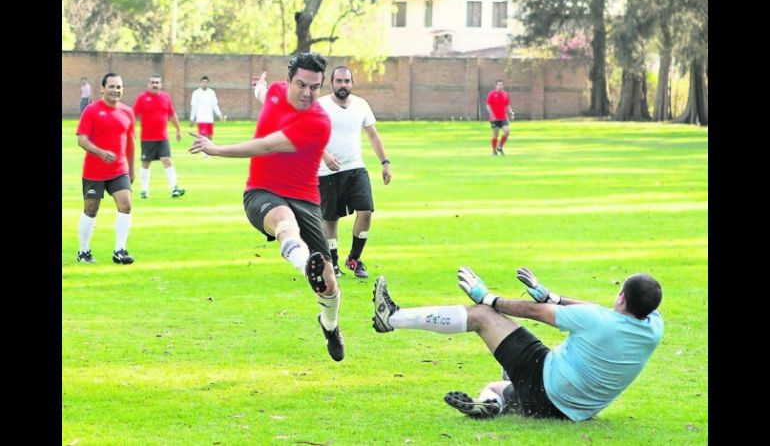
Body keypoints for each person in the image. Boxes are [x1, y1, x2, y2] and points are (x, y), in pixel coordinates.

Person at [189, 53, 345, 362]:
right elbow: (266, 96)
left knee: (329, 284)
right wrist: (258, 87)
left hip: (305, 199)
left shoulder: (318, 121)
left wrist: (217, 149)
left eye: (314, 87)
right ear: (287, 81)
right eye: (300, 84)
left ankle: (330, 326)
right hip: (262, 192)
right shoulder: (274, 91)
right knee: (284, 223)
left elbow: (267, 145)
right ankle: (305, 266)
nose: (307, 92)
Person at [372, 266, 663, 421]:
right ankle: (492, 404)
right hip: (570, 409)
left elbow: (537, 313)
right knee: (497, 386)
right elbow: (599, 313)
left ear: (621, 296)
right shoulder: (653, 326)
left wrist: (488, 298)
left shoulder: (597, 321)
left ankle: (393, 318)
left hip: (545, 384)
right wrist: (553, 296)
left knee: (483, 316)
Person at [315, 66, 392, 279]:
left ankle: (355, 259)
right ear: (331, 83)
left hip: (355, 168)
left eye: (347, 81)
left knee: (366, 211)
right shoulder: (320, 105)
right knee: (330, 219)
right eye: (339, 81)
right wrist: (326, 156)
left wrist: (385, 162)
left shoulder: (361, 105)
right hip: (326, 172)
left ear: (352, 82)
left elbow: (373, 135)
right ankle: (333, 262)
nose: (343, 85)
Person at [75, 73, 136, 265]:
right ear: (102, 89)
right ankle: (83, 251)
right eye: (111, 86)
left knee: (126, 205)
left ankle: (120, 250)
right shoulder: (91, 110)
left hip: (119, 170)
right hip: (94, 172)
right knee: (91, 210)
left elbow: (130, 144)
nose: (115, 90)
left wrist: (132, 170)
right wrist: (101, 153)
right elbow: (81, 140)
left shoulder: (127, 112)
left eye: (119, 87)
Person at [132, 74, 186, 199]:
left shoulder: (166, 97)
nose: (155, 85)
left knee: (167, 161)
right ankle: (144, 191)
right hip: (147, 138)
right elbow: (133, 115)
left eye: (157, 82)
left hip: (162, 137)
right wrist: (131, 129)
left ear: (161, 85)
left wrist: (178, 129)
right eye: (152, 82)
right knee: (146, 163)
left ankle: (174, 188)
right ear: (148, 84)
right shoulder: (142, 98)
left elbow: (172, 115)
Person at [189, 76, 225, 155]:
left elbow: (214, 105)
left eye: (206, 82)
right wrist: (192, 118)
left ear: (208, 83)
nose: (204, 84)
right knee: (203, 136)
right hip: (201, 118)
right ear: (200, 83)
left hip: (209, 118)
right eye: (203, 82)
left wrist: (219, 115)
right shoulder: (196, 93)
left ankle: (209, 151)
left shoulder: (211, 92)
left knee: (210, 137)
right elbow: (194, 106)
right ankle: (204, 153)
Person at [485, 80, 515, 156]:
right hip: (494, 118)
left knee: (507, 132)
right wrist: (492, 114)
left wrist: (511, 112)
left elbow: (507, 105)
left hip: (503, 117)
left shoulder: (505, 94)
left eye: (501, 85)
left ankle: (500, 146)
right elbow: (488, 105)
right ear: (496, 86)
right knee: (495, 135)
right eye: (498, 85)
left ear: (503, 86)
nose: (500, 86)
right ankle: (494, 151)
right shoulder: (491, 94)